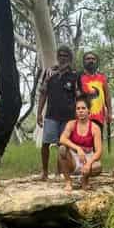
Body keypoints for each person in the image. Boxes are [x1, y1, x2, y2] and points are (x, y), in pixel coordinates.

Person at [37, 45, 78, 180]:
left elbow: (78, 97)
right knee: (46, 143)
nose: (62, 58)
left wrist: (78, 115)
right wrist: (39, 113)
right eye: (60, 55)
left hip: (68, 117)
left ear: (70, 58)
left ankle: (59, 172)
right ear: (57, 57)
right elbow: (43, 94)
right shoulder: (49, 72)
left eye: (65, 55)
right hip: (51, 115)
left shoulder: (74, 75)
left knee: (63, 145)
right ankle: (44, 171)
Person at [58, 95, 102, 191]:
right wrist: (78, 148)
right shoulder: (71, 124)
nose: (80, 111)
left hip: (87, 159)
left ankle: (84, 180)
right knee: (62, 149)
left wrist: (89, 163)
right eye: (78, 109)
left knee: (98, 166)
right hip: (73, 159)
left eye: (83, 108)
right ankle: (68, 181)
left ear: (88, 110)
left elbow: (98, 152)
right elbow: (62, 139)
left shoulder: (95, 128)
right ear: (75, 111)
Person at [78, 51, 112, 133]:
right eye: (88, 59)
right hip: (83, 116)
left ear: (96, 61)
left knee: (97, 143)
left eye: (93, 59)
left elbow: (107, 96)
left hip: (99, 117)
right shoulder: (79, 77)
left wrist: (110, 113)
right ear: (84, 62)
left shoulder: (102, 77)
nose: (91, 61)